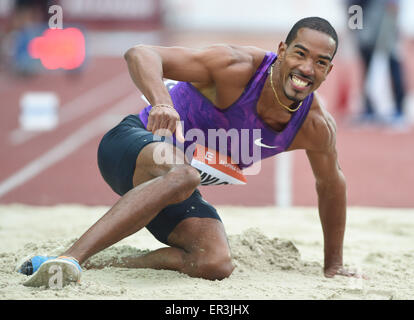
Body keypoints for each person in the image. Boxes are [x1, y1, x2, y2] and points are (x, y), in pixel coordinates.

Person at [18, 17, 362, 287]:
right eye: (300, 54)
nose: (306, 69)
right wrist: (162, 104)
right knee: (184, 174)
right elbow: (140, 53)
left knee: (214, 262)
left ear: (328, 71)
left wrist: (334, 264)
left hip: (170, 187)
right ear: (282, 50)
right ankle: (69, 259)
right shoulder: (237, 68)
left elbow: (332, 185)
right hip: (131, 145)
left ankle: (97, 261)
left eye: (319, 63)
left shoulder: (314, 125)